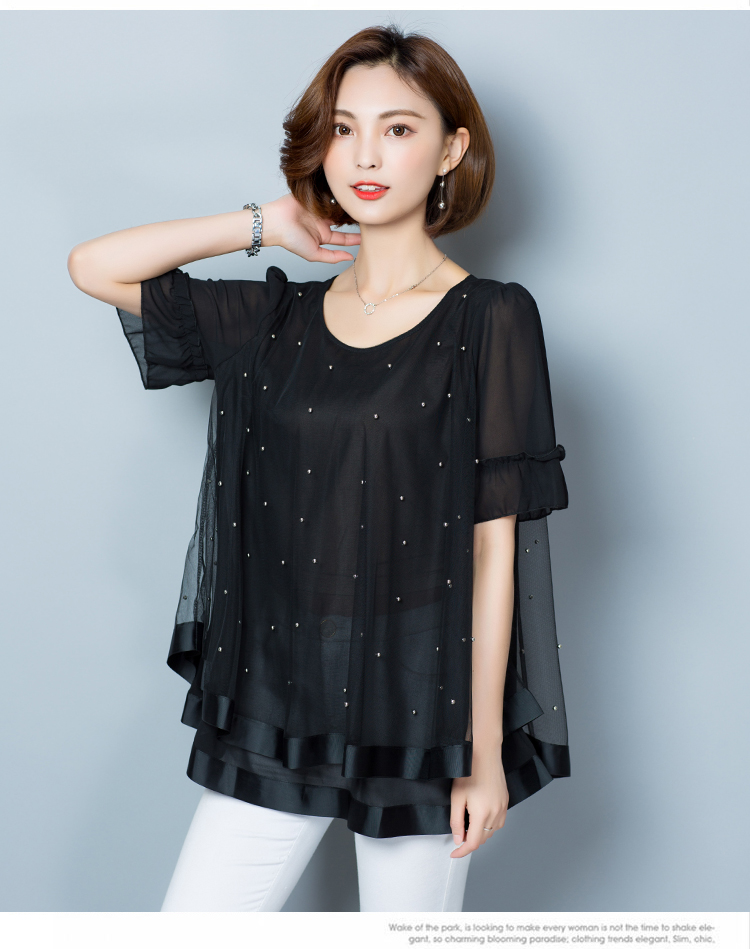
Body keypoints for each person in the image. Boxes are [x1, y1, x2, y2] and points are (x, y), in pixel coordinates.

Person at [67, 24, 570, 913]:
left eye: (398, 128)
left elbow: (495, 545)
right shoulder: (276, 321)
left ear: (452, 148)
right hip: (281, 692)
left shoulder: (490, 318)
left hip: (424, 699)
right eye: (344, 129)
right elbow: (92, 266)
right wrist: (265, 224)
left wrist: (482, 752)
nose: (365, 155)